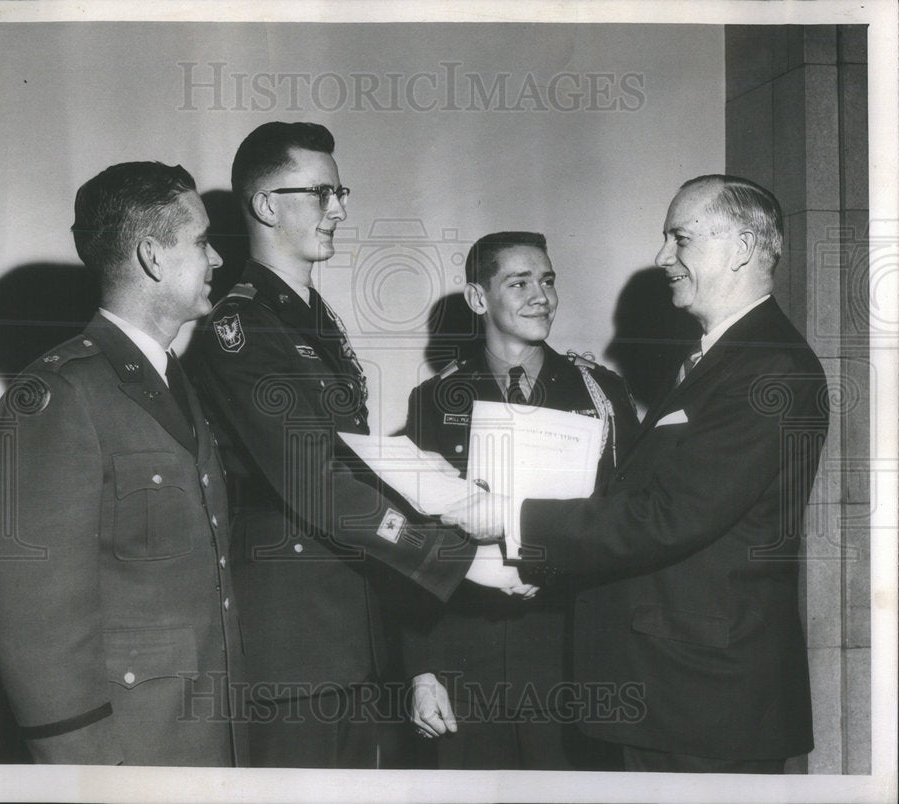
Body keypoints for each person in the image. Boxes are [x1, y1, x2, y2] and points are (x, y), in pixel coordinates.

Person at [444, 175, 829, 773]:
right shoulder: (722, 358)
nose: (662, 258)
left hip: (703, 699)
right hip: (674, 689)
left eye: (680, 239)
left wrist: (514, 517)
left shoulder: (768, 367)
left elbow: (667, 517)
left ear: (744, 247)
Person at [189, 122, 525, 768]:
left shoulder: (309, 318)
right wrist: (461, 562)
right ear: (265, 205)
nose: (340, 209)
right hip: (293, 649)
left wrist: (456, 506)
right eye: (322, 193)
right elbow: (316, 480)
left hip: (348, 634)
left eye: (340, 192)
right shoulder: (241, 328)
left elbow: (359, 464)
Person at [0, 162, 248, 766]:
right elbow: (36, 620)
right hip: (130, 752)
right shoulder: (60, 396)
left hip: (205, 736)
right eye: (203, 242)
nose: (218, 260)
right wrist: (85, 774)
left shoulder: (173, 381)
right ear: (153, 257)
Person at [402, 231, 639, 769]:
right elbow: (413, 540)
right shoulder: (436, 400)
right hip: (466, 651)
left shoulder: (601, 393)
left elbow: (631, 520)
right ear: (478, 298)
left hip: (571, 651)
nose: (542, 296)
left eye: (549, 281)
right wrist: (420, 668)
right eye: (520, 282)